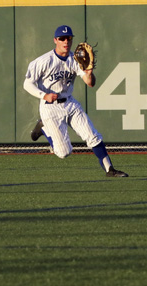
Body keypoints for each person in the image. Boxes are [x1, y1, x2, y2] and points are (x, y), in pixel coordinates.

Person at [24, 25, 128, 177]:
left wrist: (89, 73)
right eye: (62, 39)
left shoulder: (75, 60)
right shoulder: (44, 61)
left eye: (69, 38)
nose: (66, 41)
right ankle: (43, 127)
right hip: (50, 107)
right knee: (64, 152)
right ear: (55, 40)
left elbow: (90, 83)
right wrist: (44, 95)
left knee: (92, 135)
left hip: (70, 103)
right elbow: (27, 84)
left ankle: (109, 169)